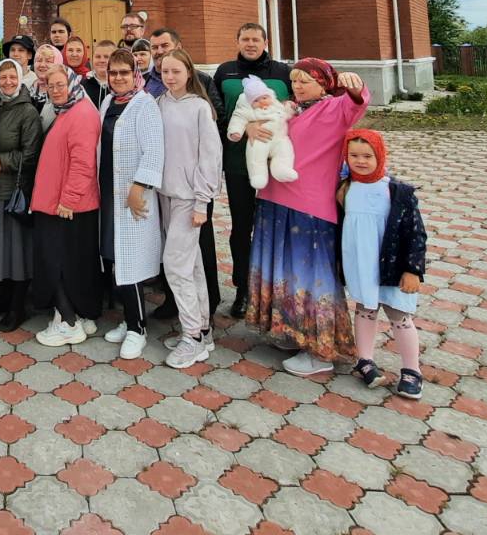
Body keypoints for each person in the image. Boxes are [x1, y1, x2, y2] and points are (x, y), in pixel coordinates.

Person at [246, 57, 368, 376]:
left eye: (305, 80)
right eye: (295, 80)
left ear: (323, 83)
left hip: (310, 205)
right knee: (282, 269)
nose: (297, 85)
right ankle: (292, 330)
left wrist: (350, 82)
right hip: (274, 200)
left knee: (309, 275)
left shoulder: (334, 108)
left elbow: (358, 101)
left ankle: (320, 348)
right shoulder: (287, 109)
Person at [207, 22, 292, 318]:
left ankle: (274, 291)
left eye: (256, 39)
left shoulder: (283, 73)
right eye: (245, 39)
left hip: (275, 165)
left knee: (274, 227)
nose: (251, 44)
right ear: (237, 41)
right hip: (237, 164)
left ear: (265, 41)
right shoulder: (225, 72)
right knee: (242, 227)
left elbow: (295, 112)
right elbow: (215, 114)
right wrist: (245, 128)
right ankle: (243, 289)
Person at [339, 130, 426, 399]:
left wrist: (413, 269)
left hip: (391, 265)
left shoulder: (396, 191)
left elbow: (415, 232)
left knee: (399, 315)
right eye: (354, 155)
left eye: (367, 156)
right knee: (365, 309)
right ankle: (364, 360)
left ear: (380, 155)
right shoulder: (345, 188)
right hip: (362, 264)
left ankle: (412, 369)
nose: (360, 161)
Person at [156, 51, 223, 368]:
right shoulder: (161, 103)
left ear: (188, 72)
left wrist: (202, 201)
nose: (169, 77)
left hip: (188, 198)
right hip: (166, 195)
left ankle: (192, 337)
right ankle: (204, 329)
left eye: (175, 71)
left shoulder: (200, 107)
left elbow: (210, 156)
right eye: (164, 71)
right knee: (192, 265)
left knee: (175, 266)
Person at [98, 48, 165, 361]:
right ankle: (127, 321)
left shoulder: (144, 104)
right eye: (113, 73)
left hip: (132, 196)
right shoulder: (109, 102)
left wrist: (140, 187)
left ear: (135, 74)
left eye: (125, 72)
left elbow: (154, 151)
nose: (119, 78)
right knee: (115, 258)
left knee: (133, 260)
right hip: (109, 193)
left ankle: (139, 329)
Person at [30, 63, 101, 346]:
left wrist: (68, 199)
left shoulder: (81, 113)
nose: (56, 90)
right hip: (60, 201)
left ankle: (68, 323)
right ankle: (78, 316)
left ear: (72, 83)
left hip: (64, 204)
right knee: (71, 264)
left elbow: (83, 162)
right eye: (51, 85)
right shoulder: (70, 110)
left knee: (55, 262)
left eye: (61, 84)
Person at [0, 60, 42, 333]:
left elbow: (31, 154)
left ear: (20, 79)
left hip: (14, 190)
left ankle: (18, 307)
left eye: (12, 77)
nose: (8, 82)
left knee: (17, 253)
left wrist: (2, 161)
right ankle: (3, 300)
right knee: (0, 252)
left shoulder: (27, 111)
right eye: (3, 77)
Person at [82, 40, 115, 108]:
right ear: (92, 59)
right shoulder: (83, 85)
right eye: (98, 57)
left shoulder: (119, 84)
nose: (102, 60)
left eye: (106, 57)